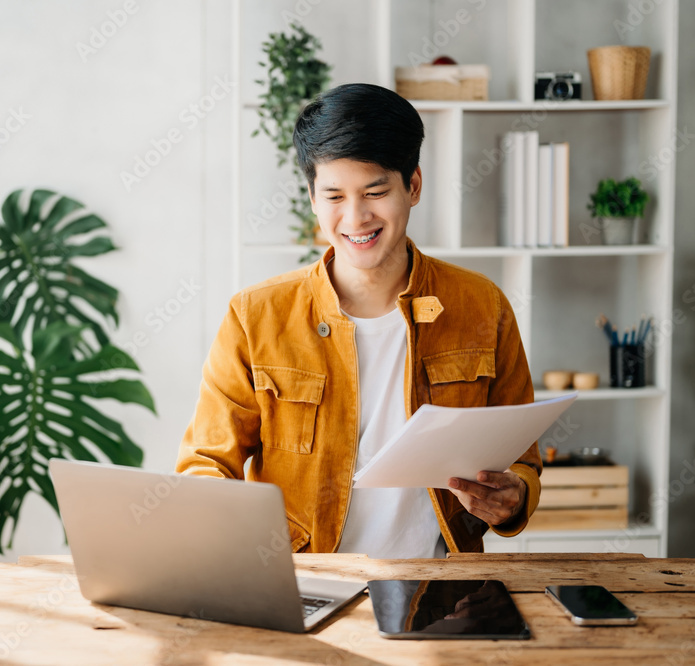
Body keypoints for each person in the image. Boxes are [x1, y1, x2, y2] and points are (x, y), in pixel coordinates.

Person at [175, 83, 541, 557]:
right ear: (311, 198)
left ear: (412, 186)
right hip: (305, 583)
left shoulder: (482, 306)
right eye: (334, 196)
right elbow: (205, 463)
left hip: (444, 587)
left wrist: (513, 499)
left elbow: (523, 463)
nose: (355, 217)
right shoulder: (256, 316)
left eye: (374, 191)